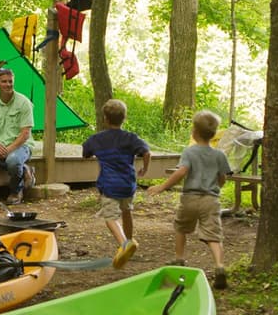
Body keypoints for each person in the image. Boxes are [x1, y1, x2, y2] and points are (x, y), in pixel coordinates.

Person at [147, 110, 233, 290]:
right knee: (213, 235)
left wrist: (162, 187)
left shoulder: (189, 152)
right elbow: (223, 177)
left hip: (190, 198)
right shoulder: (219, 155)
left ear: (194, 132)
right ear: (213, 134)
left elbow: (182, 172)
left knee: (181, 228)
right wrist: (216, 186)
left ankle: (179, 258)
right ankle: (219, 266)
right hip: (211, 200)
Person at [82, 99, 151, 270]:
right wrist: (145, 168)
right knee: (127, 211)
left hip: (109, 186)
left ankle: (124, 244)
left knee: (111, 218)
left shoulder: (97, 139)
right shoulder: (130, 138)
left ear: (105, 118)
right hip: (128, 184)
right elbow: (147, 152)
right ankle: (129, 240)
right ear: (124, 118)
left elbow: (86, 152)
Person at [0, 67, 36, 204]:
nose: (8, 84)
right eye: (4, 81)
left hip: (21, 146)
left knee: (13, 160)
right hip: (0, 145)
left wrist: (9, 150)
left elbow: (25, 133)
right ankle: (25, 169)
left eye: (10, 81)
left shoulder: (24, 102)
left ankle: (16, 191)